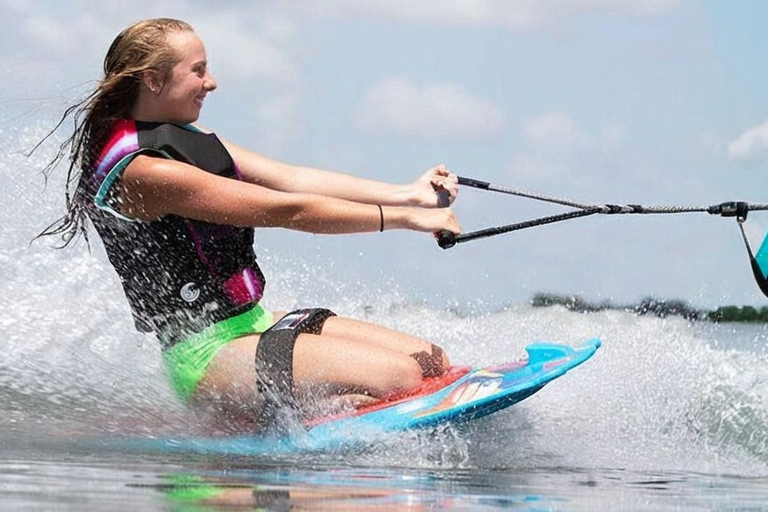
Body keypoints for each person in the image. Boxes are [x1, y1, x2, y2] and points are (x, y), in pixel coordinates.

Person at [37, 18, 461, 430]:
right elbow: (288, 210)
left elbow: (292, 178)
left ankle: (314, 405)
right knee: (399, 378)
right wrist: (407, 220)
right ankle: (297, 420)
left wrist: (410, 193)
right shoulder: (144, 171)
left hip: (252, 323)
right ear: (152, 79)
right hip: (207, 354)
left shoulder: (185, 139)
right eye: (198, 70)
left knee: (431, 363)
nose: (212, 82)